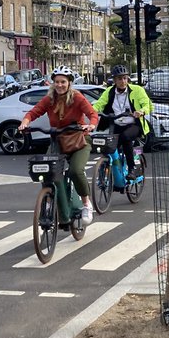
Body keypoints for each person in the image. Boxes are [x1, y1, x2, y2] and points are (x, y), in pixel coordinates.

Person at [19, 66, 99, 224]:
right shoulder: (49, 99)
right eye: (56, 82)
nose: (60, 85)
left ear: (69, 83)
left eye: (63, 82)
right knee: (48, 171)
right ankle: (50, 202)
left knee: (76, 171)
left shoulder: (77, 97)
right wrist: (25, 122)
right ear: (52, 83)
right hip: (58, 140)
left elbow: (92, 114)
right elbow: (34, 112)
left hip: (79, 139)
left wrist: (91, 125)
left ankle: (85, 204)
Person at [93, 65, 154, 178]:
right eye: (120, 78)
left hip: (134, 124)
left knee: (125, 137)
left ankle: (132, 169)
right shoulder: (109, 92)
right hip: (116, 124)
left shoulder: (137, 90)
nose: (123, 81)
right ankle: (108, 170)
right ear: (114, 80)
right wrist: (91, 112)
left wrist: (141, 111)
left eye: (125, 78)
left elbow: (148, 105)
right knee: (108, 144)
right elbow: (99, 104)